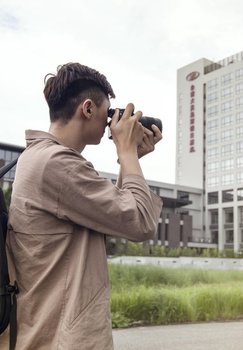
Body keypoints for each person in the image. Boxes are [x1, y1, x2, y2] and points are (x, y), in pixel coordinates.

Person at [0, 62, 163, 349]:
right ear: (87, 109)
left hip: (48, 333)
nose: (110, 123)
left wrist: (131, 156)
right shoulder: (56, 164)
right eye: (107, 113)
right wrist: (126, 152)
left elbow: (117, 217)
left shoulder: (42, 159)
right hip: (59, 339)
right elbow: (140, 222)